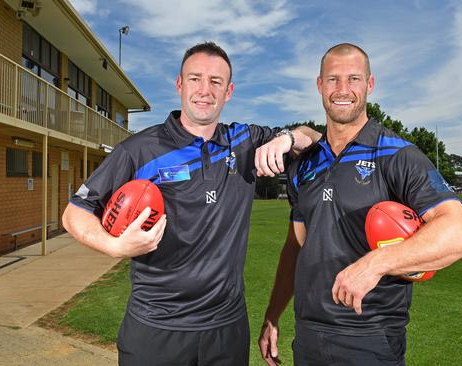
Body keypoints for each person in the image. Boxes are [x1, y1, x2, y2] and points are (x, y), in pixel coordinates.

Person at [62, 41, 319, 366]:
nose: (205, 90)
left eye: (216, 82)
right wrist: (115, 246)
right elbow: (75, 213)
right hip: (156, 328)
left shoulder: (243, 141)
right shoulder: (140, 149)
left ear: (228, 92)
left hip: (226, 329)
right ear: (180, 84)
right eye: (195, 79)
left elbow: (314, 137)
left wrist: (288, 138)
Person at [258, 43, 462, 366]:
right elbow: (296, 246)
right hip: (307, 338)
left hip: (371, 339)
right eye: (333, 80)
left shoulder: (398, 155)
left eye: (354, 79)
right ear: (320, 86)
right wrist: (272, 315)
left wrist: (377, 262)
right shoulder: (304, 165)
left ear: (370, 85)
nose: (343, 90)